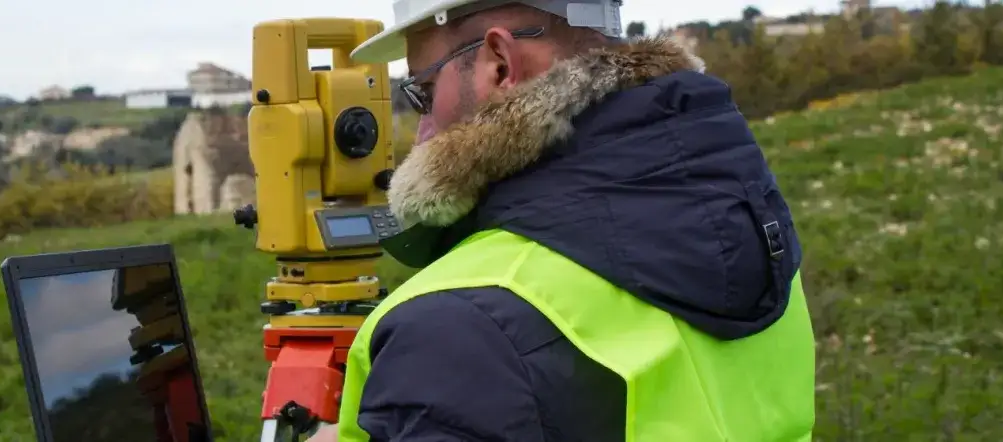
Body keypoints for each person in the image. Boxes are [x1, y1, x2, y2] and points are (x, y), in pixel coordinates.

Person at [311, 0, 816, 440]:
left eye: (422, 91)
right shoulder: (761, 236)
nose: (422, 128)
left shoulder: (454, 325)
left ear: (499, 64)